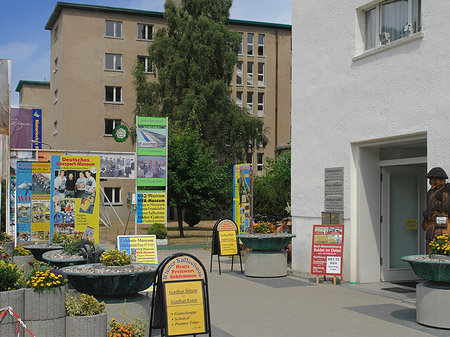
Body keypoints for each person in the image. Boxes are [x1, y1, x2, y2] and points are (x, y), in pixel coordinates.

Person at [422, 167, 450, 252]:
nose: (431, 182)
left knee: (443, 249)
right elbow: (429, 207)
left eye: (434, 179)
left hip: (444, 228)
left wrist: (442, 203)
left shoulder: (447, 190)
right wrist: (426, 215)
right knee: (430, 248)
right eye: (430, 179)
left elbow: (448, 208)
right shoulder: (430, 192)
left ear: (441, 180)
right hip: (431, 226)